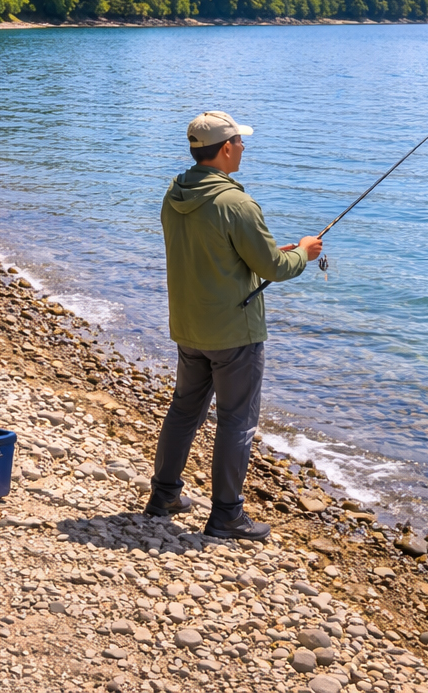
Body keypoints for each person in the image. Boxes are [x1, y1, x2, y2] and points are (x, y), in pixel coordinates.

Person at [147, 110, 322, 540]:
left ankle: (164, 495)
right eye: (240, 142)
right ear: (226, 148)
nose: (244, 147)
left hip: (188, 326)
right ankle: (226, 515)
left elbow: (213, 250)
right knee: (236, 420)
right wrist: (304, 251)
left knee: (184, 410)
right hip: (233, 334)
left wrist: (261, 251)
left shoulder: (175, 192)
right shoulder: (237, 203)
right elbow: (276, 269)